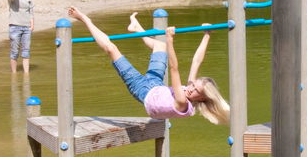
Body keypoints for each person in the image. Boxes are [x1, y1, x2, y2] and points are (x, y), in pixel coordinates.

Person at [68, 7, 230, 125]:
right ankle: (136, 28)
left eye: (196, 90)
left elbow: (174, 69)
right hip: (156, 84)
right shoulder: (188, 90)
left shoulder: (183, 103)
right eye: (194, 84)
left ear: (201, 98)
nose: (191, 88)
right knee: (160, 47)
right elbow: (196, 61)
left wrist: (170, 39)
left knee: (112, 49)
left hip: (141, 90)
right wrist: (207, 35)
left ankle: (85, 20)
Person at [8, 0, 34, 73]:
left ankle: (26, 74)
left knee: (26, 52)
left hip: (26, 27)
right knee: (14, 52)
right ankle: (14, 74)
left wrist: (32, 24)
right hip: (15, 27)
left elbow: (31, 11)